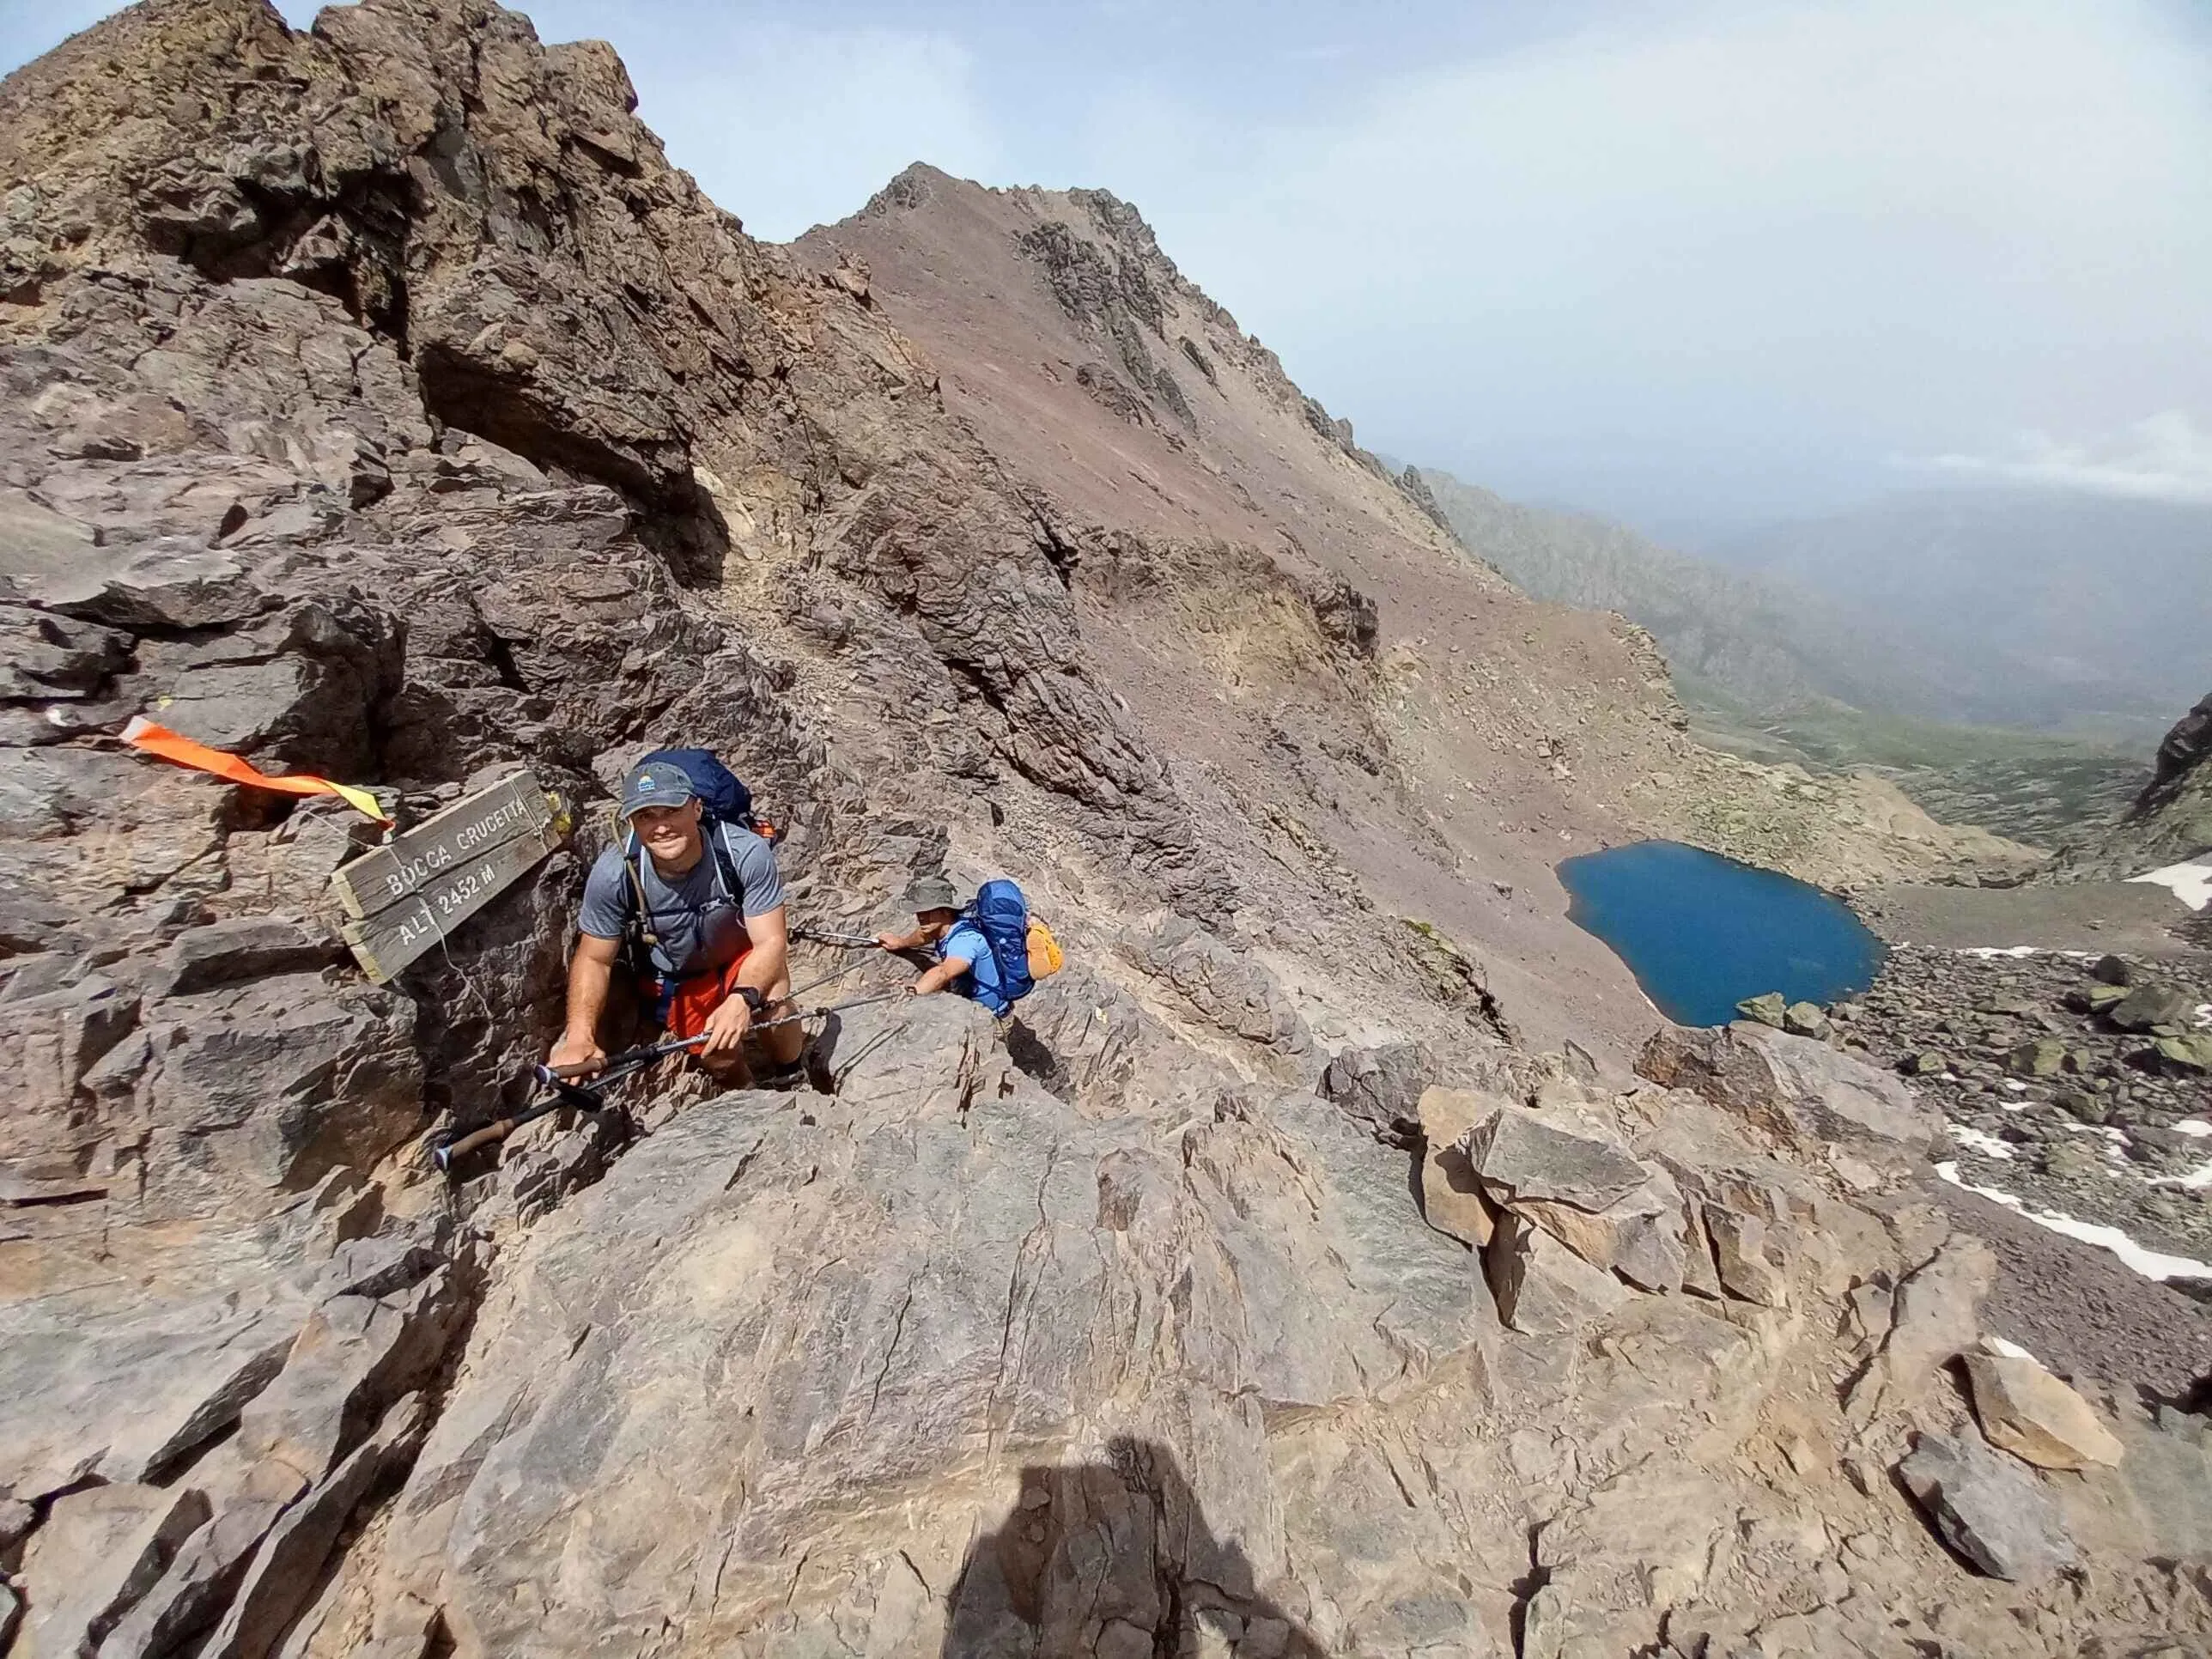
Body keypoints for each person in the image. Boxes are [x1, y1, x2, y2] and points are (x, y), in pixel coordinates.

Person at [550, 757, 803, 1083]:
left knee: (775, 1005)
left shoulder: (745, 853)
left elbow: (770, 942)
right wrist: (580, 1036)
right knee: (718, 1056)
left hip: (742, 958)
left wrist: (742, 998)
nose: (661, 826)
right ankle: (751, 1099)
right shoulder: (615, 873)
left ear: (696, 809)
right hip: (678, 978)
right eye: (646, 816)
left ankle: (790, 1074)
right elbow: (594, 958)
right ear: (631, 823)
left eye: (671, 810)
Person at [875, 874, 1005, 1007]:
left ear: (946, 911)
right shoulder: (950, 926)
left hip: (990, 1014)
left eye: (928, 911)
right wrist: (901, 943)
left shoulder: (965, 941)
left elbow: (943, 972)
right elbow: (923, 936)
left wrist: (912, 992)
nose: (921, 917)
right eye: (919, 912)